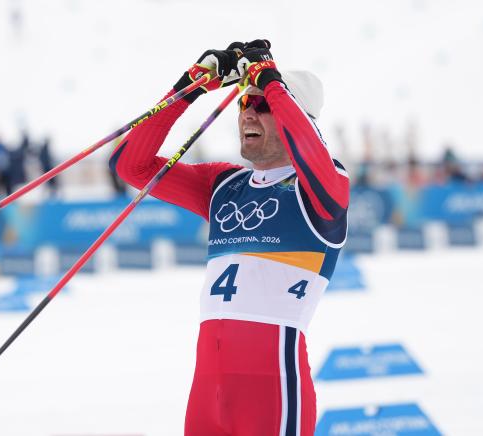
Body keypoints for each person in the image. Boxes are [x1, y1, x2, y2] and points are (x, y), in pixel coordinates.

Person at [110, 40, 349, 435]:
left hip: (272, 390)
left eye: (263, 106)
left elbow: (313, 155)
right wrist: (190, 87)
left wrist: (271, 81)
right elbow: (130, 164)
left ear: (298, 117)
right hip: (208, 394)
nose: (248, 114)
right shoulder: (224, 185)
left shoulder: (324, 187)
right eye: (244, 104)